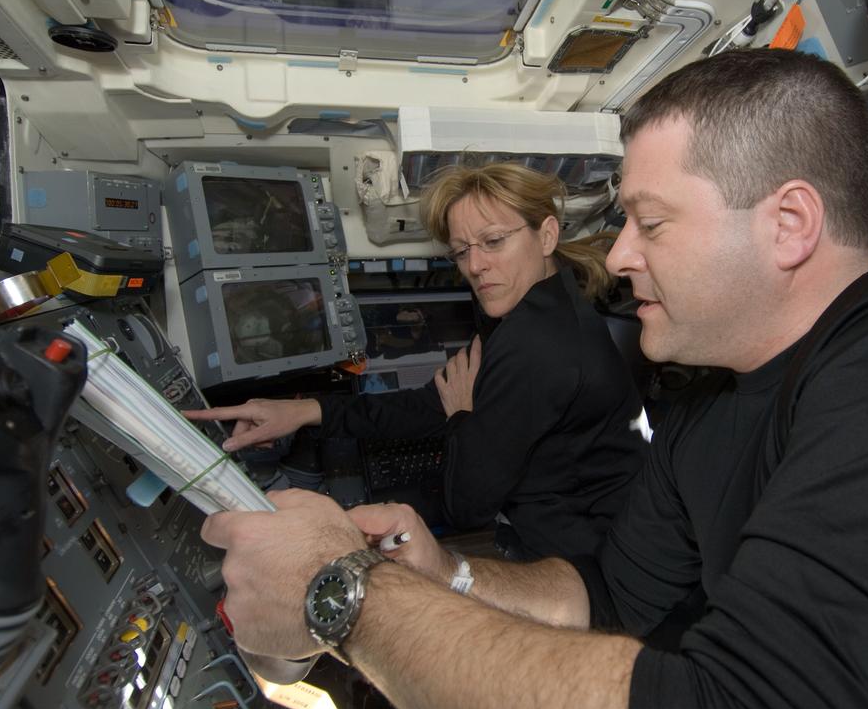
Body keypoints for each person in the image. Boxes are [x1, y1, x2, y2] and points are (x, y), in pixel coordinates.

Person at [200, 50, 868, 709]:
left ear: (787, 225)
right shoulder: (711, 386)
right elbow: (612, 597)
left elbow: (744, 708)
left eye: (649, 224)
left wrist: (346, 596)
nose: (615, 258)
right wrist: (442, 574)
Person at [188, 163, 648, 560]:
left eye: (492, 242)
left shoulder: (538, 345)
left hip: (579, 560)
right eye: (462, 251)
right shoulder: (536, 308)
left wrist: (462, 416)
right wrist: (306, 411)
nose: (475, 266)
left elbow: (466, 506)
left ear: (546, 235)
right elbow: (436, 401)